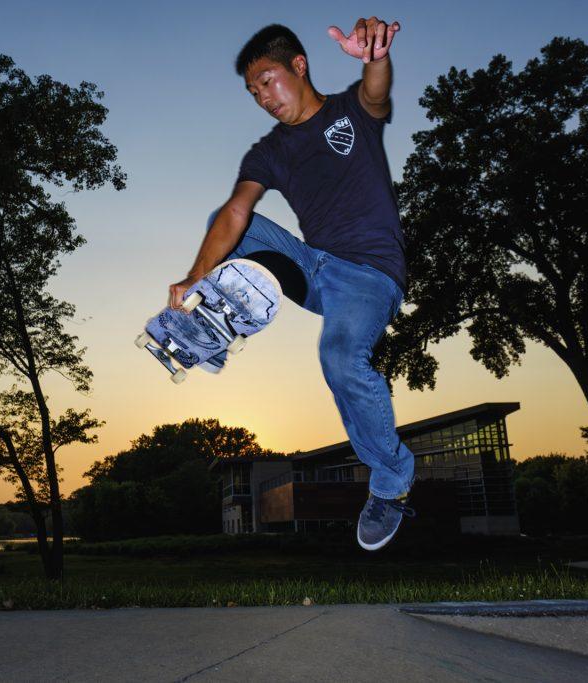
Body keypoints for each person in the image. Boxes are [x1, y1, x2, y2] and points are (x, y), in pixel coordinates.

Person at [168, 18, 415, 551]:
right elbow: (238, 209)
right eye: (253, 91)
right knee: (229, 219)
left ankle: (391, 483)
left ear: (298, 66)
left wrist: (373, 54)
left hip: (369, 278)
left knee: (343, 359)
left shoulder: (352, 112)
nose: (262, 97)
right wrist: (196, 275)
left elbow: (378, 90)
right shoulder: (269, 152)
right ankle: (214, 323)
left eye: (267, 81)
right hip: (314, 268)